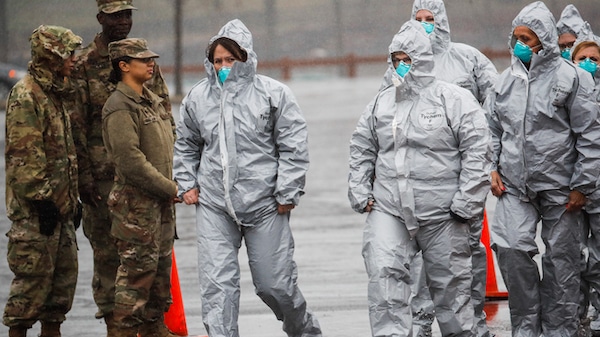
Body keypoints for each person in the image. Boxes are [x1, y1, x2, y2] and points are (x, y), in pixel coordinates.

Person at [173, 19, 322, 337]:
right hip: (214, 205)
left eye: (230, 59)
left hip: (265, 204)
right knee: (217, 288)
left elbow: (293, 146)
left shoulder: (274, 94)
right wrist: (186, 183)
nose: (224, 66)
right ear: (209, 63)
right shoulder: (198, 98)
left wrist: (287, 191)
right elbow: (186, 144)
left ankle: (304, 330)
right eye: (218, 60)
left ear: (245, 57)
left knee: (274, 286)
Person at [348, 20, 492, 337]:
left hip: (444, 213)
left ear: (424, 59)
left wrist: (466, 202)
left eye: (408, 59)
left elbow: (478, 151)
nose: (402, 66)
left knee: (451, 291)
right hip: (389, 208)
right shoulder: (381, 102)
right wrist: (360, 190)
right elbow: (362, 146)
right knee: (384, 276)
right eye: (396, 59)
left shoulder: (454, 99)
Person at [485, 2, 600, 336]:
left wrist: (583, 184)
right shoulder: (504, 82)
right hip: (514, 187)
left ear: (545, 40)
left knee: (561, 263)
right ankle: (526, 327)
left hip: (562, 189)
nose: (520, 43)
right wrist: (490, 167)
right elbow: (492, 130)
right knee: (510, 248)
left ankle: (559, 330)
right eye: (517, 36)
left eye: (528, 37)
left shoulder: (572, 79)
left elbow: (590, 136)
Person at [71, 0, 172, 333]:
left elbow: (164, 117)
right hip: (102, 185)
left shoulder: (142, 62)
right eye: (115, 15)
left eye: (127, 15)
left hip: (148, 182)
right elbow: (75, 125)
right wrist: (83, 178)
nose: (122, 21)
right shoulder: (85, 64)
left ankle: (153, 327)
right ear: (101, 18)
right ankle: (118, 328)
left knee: (153, 260)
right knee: (111, 261)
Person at [3, 25, 82, 337]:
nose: (74, 59)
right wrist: (43, 200)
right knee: (27, 298)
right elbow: (25, 158)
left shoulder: (57, 94)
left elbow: (64, 154)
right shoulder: (26, 95)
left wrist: (70, 201)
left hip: (59, 212)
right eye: (69, 53)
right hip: (36, 218)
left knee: (58, 299)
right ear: (52, 54)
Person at [101, 38, 179, 337]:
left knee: (159, 279)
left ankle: (155, 331)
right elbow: (130, 161)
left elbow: (170, 146)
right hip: (137, 208)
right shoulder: (119, 106)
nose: (151, 64)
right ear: (123, 66)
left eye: (151, 59)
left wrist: (174, 185)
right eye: (142, 60)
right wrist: (169, 187)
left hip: (159, 205)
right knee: (135, 281)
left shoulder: (151, 100)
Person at [572, 40, 600, 336]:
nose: (590, 63)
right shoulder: (566, 93)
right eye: (583, 57)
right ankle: (575, 316)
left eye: (595, 58)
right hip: (574, 192)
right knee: (572, 258)